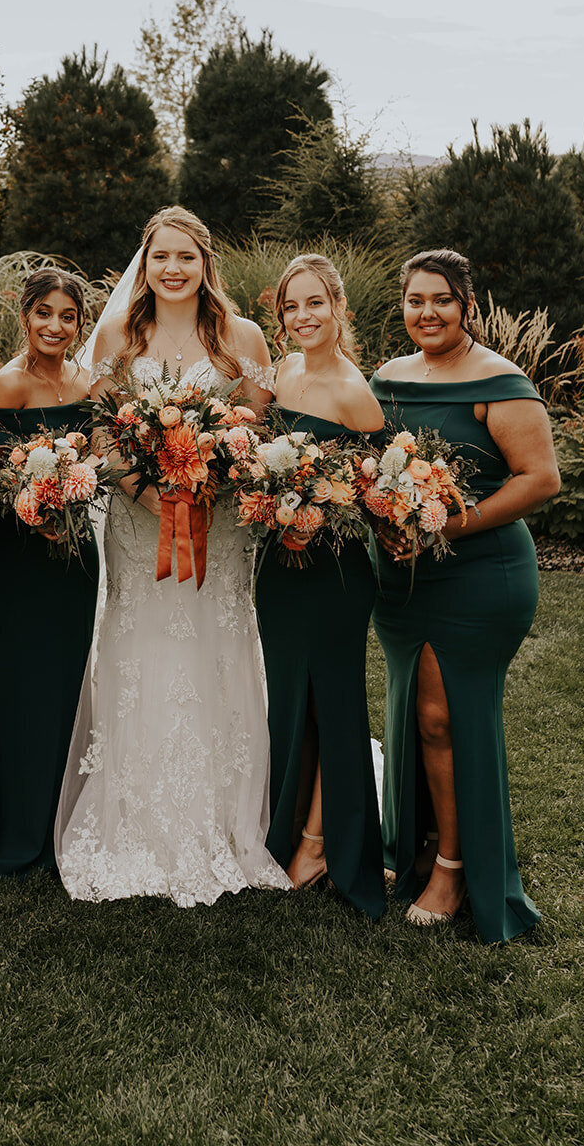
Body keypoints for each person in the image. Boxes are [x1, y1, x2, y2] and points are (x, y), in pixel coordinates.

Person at [55, 206, 291, 907]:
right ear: (145, 261)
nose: (172, 269)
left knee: (216, 645)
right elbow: (99, 432)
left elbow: (255, 425)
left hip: (217, 526)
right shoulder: (118, 334)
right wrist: (145, 492)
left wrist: (206, 481)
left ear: (205, 263)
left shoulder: (239, 335)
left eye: (185, 257)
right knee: (142, 648)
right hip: (136, 526)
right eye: (160, 256)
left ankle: (226, 816)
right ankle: (135, 813)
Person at [370, 248, 560, 940]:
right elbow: (368, 466)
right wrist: (378, 519)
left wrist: (449, 524)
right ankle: (412, 845)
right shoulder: (388, 377)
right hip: (400, 576)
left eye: (441, 300)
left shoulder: (497, 380)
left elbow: (539, 479)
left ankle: (453, 868)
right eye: (415, 300)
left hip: (479, 575)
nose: (426, 312)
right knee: (415, 714)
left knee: (444, 718)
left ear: (466, 307)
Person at [255, 255, 386, 916]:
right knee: (290, 703)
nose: (302, 317)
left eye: (314, 304)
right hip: (277, 567)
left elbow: (370, 497)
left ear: (338, 309)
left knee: (330, 706)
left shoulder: (351, 391)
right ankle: (285, 835)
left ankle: (317, 844)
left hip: (331, 568)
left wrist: (315, 510)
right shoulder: (281, 372)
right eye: (290, 307)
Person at [0, 271, 99, 875]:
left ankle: (61, 816)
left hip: (74, 552)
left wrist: (70, 503)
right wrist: (37, 509)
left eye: (67, 316)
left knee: (67, 680)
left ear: (80, 323)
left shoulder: (85, 381)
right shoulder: (7, 384)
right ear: (25, 315)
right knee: (21, 681)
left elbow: (97, 458)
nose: (54, 326)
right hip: (19, 549)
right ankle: (13, 826)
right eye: (43, 313)